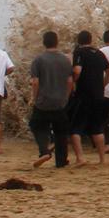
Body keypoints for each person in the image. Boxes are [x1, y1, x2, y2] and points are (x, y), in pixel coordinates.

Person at [29, 31, 73, 169]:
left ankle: (44, 151)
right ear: (57, 42)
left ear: (44, 42)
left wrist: (34, 98)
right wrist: (66, 96)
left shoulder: (38, 60)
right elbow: (70, 81)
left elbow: (35, 82)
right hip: (60, 102)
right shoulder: (65, 60)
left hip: (43, 101)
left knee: (36, 125)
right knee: (61, 132)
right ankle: (61, 161)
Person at [69, 30, 109, 166]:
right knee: (97, 127)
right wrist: (103, 85)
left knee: (75, 128)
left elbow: (77, 71)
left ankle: (80, 158)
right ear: (90, 40)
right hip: (99, 95)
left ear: (79, 41)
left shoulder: (79, 52)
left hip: (83, 94)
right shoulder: (99, 53)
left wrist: (74, 82)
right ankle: (102, 159)